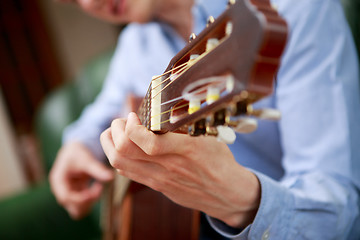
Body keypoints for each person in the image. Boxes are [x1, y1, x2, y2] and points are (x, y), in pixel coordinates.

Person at [50, 0, 360, 240]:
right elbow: (101, 112)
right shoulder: (135, 45)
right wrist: (75, 145)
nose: (89, 3)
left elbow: (338, 215)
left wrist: (238, 200)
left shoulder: (293, 9)